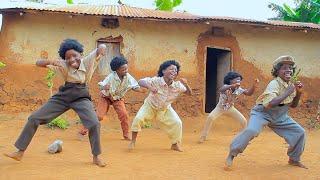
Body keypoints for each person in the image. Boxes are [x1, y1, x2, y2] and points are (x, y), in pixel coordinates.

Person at [4, 39, 106, 167]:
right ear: (64, 59)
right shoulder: (62, 65)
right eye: (68, 57)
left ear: (80, 54)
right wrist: (51, 61)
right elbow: (38, 63)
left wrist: (102, 48)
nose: (72, 59)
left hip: (81, 97)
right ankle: (19, 152)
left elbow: (101, 47)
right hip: (63, 96)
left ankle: (96, 157)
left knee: (94, 124)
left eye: (75, 55)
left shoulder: (87, 61)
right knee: (34, 118)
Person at [225, 55, 307, 170]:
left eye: (290, 68)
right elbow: (270, 104)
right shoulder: (274, 84)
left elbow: (293, 105)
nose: (288, 70)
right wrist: (288, 92)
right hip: (262, 113)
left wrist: (298, 93)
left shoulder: (290, 85)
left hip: (280, 115)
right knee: (252, 130)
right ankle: (232, 153)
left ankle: (294, 159)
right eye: (284, 68)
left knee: (300, 132)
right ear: (277, 71)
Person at [128, 60, 192, 152]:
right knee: (138, 119)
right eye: (171, 69)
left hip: (165, 109)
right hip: (150, 106)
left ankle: (175, 144)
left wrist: (186, 84)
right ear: (163, 71)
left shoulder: (177, 85)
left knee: (177, 123)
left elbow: (189, 93)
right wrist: (150, 87)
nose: (174, 71)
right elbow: (140, 81)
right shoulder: (156, 81)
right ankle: (133, 142)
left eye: (175, 70)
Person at [79, 56, 142, 140]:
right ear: (117, 70)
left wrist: (140, 90)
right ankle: (84, 129)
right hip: (106, 97)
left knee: (124, 115)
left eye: (126, 69)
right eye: (123, 69)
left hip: (118, 99)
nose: (126, 71)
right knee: (99, 116)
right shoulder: (111, 77)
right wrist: (104, 87)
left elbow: (135, 86)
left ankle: (126, 135)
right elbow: (101, 85)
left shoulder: (128, 77)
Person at [199, 71, 259, 143]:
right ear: (230, 80)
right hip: (220, 108)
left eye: (239, 79)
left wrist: (254, 86)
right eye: (237, 79)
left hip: (230, 108)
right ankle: (203, 137)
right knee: (210, 117)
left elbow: (248, 93)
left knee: (244, 121)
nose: (239, 81)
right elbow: (220, 90)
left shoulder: (239, 89)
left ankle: (244, 139)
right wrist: (232, 86)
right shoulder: (226, 87)